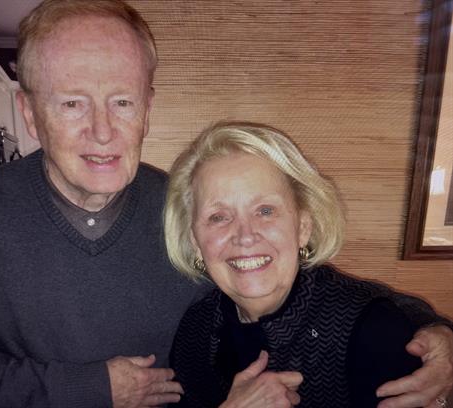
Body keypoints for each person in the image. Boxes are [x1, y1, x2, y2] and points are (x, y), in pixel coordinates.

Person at [0, 1, 453, 407]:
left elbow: (301, 284)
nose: (102, 130)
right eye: (73, 103)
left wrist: (430, 328)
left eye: (122, 101)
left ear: (147, 109)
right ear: (30, 114)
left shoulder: (184, 206)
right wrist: (94, 387)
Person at [165, 121, 453, 407]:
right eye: (218, 217)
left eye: (265, 211)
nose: (245, 236)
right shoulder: (195, 330)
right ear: (195, 242)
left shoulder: (374, 330)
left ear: (303, 227)